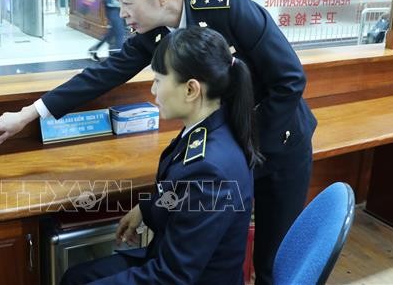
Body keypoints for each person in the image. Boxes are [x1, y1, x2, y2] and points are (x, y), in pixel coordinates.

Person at [0, 0, 317, 285]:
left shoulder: (230, 10)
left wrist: (242, 150)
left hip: (278, 143)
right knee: (218, 246)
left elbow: (290, 81)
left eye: (127, 3)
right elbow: (103, 74)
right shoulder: (155, 35)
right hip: (227, 154)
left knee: (272, 263)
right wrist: (28, 114)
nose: (121, 13)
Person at [60, 27, 262, 284]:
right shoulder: (209, 129)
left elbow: (171, 277)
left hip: (183, 276)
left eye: (158, 80)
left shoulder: (210, 170)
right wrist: (146, 207)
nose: (153, 90)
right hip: (173, 262)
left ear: (191, 90)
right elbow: (181, 194)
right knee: (74, 277)